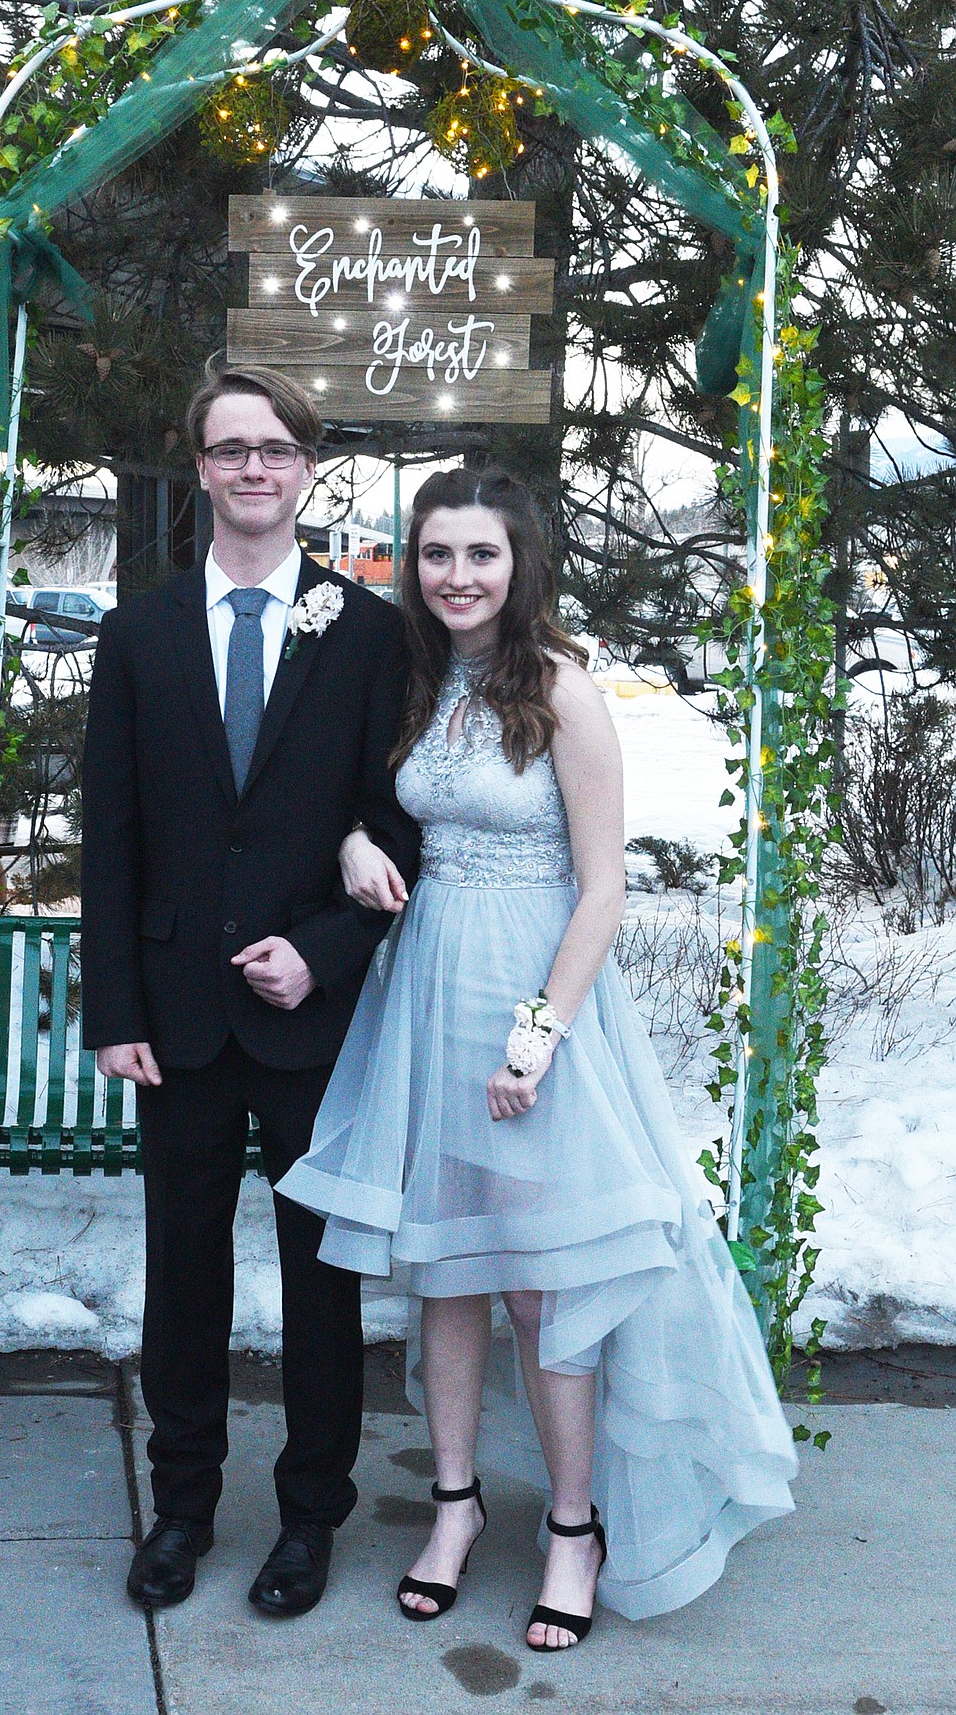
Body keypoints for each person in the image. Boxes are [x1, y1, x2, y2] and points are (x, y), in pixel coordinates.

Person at [276, 467, 797, 1651]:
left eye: (481, 555)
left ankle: (573, 1523)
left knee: (537, 1280)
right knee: (444, 1271)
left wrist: (540, 1031)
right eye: (438, 554)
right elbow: (376, 804)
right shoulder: (411, 680)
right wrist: (358, 835)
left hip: (535, 996)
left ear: (521, 564)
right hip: (423, 994)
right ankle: (453, 1506)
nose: (457, 575)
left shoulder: (561, 686)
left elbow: (605, 882)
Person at [80, 362, 420, 1617]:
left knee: (319, 1282)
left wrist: (324, 950)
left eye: (276, 447)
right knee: (184, 1272)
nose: (254, 468)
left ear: (308, 465)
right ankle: (180, 1506)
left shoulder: (369, 632)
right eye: (230, 449)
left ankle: (310, 1517)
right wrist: (113, 1008)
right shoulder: (141, 632)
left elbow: (397, 825)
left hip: (306, 1016)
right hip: (172, 1018)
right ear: (203, 468)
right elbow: (107, 832)